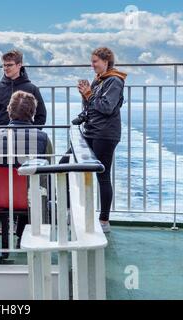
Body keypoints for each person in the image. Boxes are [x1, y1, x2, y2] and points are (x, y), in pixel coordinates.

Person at [0, 91, 53, 257]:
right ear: (32, 113)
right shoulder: (43, 138)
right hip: (32, 197)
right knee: (32, 180)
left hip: (2, 196)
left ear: (9, 111)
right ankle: (24, 234)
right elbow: (49, 169)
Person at [72, 47, 127, 233]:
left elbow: (106, 107)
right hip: (91, 131)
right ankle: (70, 209)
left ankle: (104, 220)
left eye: (95, 61)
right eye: (92, 61)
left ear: (106, 61)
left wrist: (89, 94)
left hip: (105, 134)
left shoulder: (114, 81)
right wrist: (85, 95)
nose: (92, 64)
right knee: (67, 161)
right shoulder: (99, 80)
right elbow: (93, 106)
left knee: (102, 175)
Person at [0, 49, 47, 127]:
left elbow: (41, 115)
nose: (5, 68)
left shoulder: (32, 89)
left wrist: (33, 133)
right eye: (4, 65)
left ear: (19, 65)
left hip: (26, 136)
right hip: (2, 136)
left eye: (9, 65)